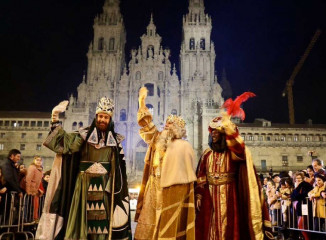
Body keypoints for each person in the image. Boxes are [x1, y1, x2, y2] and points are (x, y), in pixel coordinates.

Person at [36, 97, 131, 240]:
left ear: (109, 120)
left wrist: (114, 185)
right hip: (83, 185)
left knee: (100, 223)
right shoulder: (84, 135)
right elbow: (66, 144)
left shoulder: (115, 142)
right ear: (96, 117)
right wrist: (55, 118)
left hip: (104, 186)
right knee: (81, 219)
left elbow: (118, 167)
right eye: (100, 116)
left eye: (105, 117)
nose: (102, 120)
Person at [195, 111, 272, 239]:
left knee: (230, 225)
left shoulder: (233, 153)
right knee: (209, 226)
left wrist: (231, 131)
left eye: (216, 131)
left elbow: (240, 150)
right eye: (212, 131)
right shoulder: (207, 154)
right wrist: (199, 194)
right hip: (209, 195)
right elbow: (201, 176)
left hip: (230, 194)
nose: (213, 134)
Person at [134, 87, 197, 240]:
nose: (165, 126)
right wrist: (142, 102)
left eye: (169, 124)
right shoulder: (157, 138)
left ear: (176, 129)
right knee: (149, 225)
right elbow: (146, 125)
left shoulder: (184, 147)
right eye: (166, 123)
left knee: (169, 226)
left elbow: (187, 175)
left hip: (172, 191)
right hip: (153, 188)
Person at [291, 171, 313, 240]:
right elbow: (293, 196)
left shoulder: (306, 185)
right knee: (302, 225)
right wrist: (296, 188)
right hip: (300, 209)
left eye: (300, 178)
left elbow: (300, 196)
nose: (298, 180)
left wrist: (297, 188)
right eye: (297, 178)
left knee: (301, 225)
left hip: (306, 208)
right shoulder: (297, 187)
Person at [25, 156, 44, 221]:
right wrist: (28, 190)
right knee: (29, 206)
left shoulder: (40, 169)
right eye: (37, 160)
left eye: (40, 160)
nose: (39, 161)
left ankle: (33, 218)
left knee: (35, 206)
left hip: (35, 190)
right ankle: (28, 219)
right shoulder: (32, 168)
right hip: (31, 190)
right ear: (34, 161)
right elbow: (28, 179)